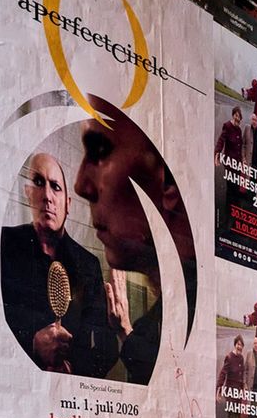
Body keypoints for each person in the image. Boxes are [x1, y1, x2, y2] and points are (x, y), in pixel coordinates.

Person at [74, 97, 198, 384]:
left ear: (168, 181)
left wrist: (126, 331)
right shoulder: (171, 313)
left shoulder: (187, 317)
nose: (81, 185)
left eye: (101, 150)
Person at [0, 152, 113, 377]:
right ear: (28, 193)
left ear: (67, 204)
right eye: (39, 183)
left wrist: (75, 373)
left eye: (56, 187)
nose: (47, 196)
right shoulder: (3, 245)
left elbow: (107, 348)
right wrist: (32, 346)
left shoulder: (89, 265)